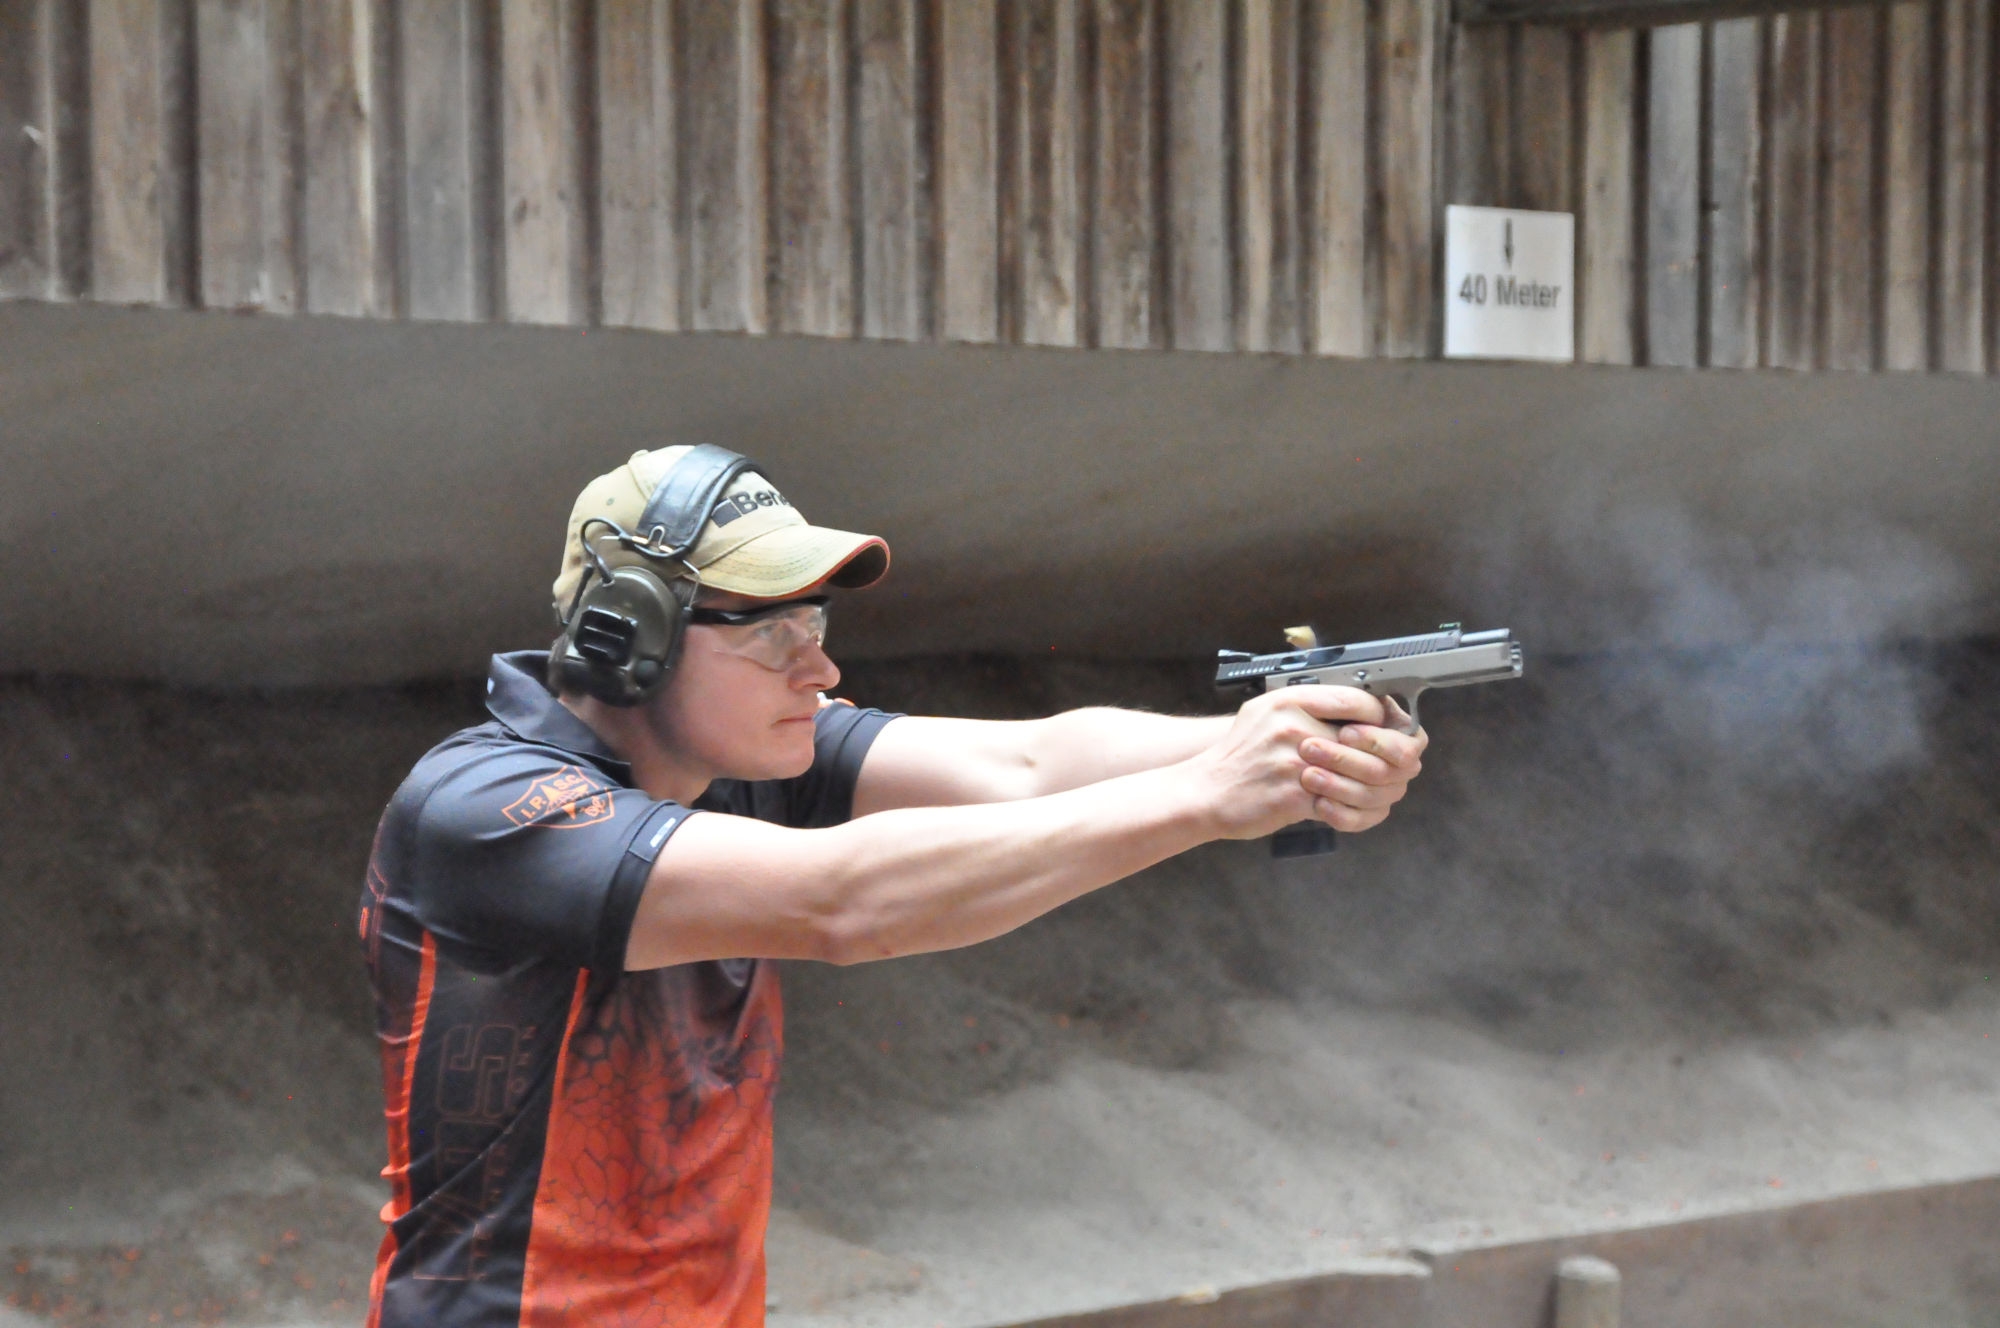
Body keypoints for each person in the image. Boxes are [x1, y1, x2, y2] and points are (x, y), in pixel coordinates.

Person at [358, 445, 1427, 1328]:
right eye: (772, 633)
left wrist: (1265, 745)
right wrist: (1207, 796)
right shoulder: (488, 807)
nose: (814, 671)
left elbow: (1030, 763)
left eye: (815, 630)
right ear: (625, 639)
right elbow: (841, 902)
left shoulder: (751, 755)